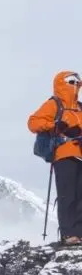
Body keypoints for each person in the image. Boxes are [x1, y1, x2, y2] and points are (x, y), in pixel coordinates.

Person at [28, 71, 82, 245]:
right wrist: (54, 125)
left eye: (77, 81)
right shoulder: (54, 104)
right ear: (61, 83)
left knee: (80, 195)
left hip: (80, 154)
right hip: (63, 155)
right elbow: (33, 122)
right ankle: (68, 234)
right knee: (68, 195)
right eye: (71, 81)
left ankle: (79, 233)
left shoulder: (80, 107)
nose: (75, 84)